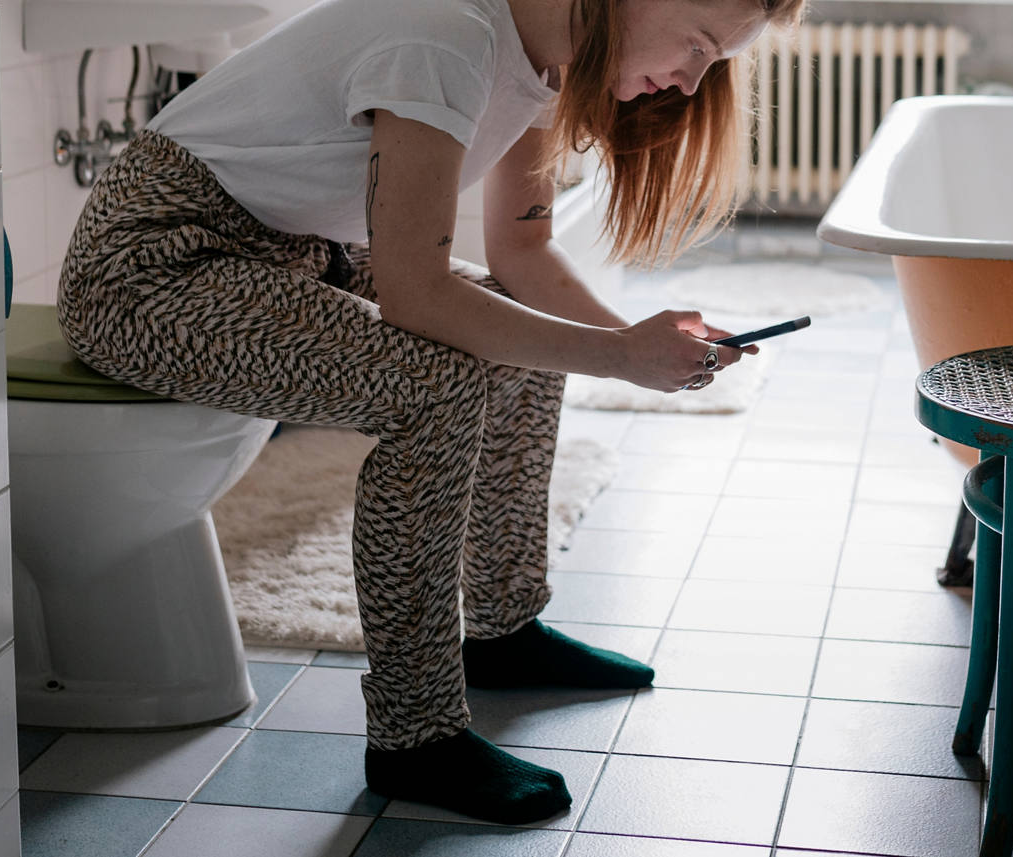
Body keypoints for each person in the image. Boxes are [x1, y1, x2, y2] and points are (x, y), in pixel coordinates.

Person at [57, 0, 806, 826]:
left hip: (293, 250)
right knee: (436, 383)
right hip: (153, 262)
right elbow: (419, 296)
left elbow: (523, 253)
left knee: (519, 337)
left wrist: (635, 343)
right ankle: (414, 735)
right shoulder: (446, 33)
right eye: (699, 45)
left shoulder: (542, 59)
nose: (692, 81)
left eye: (717, 61)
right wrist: (622, 358)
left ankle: (503, 630)